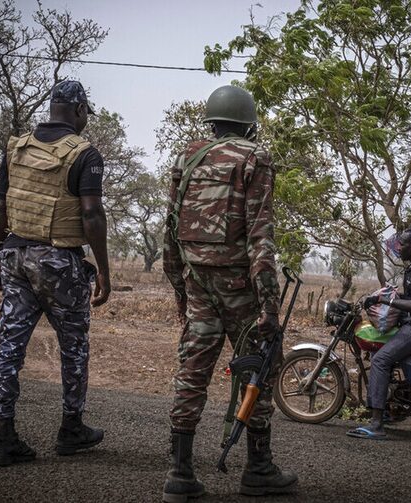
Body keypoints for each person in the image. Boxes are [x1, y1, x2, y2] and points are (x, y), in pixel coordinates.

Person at [161, 85, 298, 501]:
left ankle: (179, 475)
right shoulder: (255, 157)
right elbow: (261, 237)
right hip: (241, 289)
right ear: (249, 123)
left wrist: (181, 292)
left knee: (192, 373)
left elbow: (170, 231)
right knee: (259, 367)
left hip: (197, 283)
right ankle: (258, 469)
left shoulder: (188, 156)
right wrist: (270, 307)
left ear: (212, 121)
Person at [0, 80, 111, 466]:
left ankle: (3, 436)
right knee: (73, 346)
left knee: (10, 346)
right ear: (78, 111)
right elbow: (91, 214)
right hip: (59, 264)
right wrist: (104, 271)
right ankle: (71, 429)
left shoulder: (16, 148)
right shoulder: (85, 155)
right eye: (87, 111)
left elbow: (2, 211)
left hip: (15, 257)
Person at [347, 227, 411, 440]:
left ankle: (376, 425)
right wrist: (382, 295)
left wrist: (385, 301)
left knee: (381, 360)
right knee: (378, 354)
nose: (398, 247)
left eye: (402, 244)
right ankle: (388, 408)